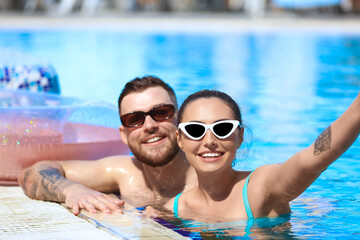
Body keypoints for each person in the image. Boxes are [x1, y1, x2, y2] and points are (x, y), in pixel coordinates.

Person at [148, 89, 360, 221]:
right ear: (180, 139)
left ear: (239, 136)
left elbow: (312, 160)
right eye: (195, 130)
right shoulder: (174, 210)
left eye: (222, 129)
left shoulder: (261, 188)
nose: (210, 141)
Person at [18, 76, 197, 215]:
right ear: (124, 135)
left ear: (180, 120)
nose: (149, 126)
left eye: (161, 113)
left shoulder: (211, 177)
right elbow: (31, 174)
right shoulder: (124, 172)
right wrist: (71, 190)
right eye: (134, 119)